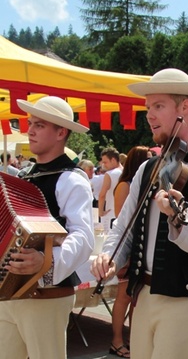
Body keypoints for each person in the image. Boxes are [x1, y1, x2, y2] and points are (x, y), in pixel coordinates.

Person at [90, 68, 188, 359]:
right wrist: (110, 256)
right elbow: (125, 227)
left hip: (187, 300)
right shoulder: (148, 167)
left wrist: (180, 217)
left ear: (184, 107)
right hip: (143, 294)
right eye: (148, 108)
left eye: (158, 106)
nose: (149, 115)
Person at [0, 96, 94, 359]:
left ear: (61, 132)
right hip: (9, 292)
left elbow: (83, 237)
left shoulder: (72, 180)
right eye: (30, 123)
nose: (30, 130)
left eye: (39, 125)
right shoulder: (22, 176)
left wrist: (45, 262)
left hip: (47, 295)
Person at [108, 145, 151, 358]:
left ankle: (134, 339)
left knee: (136, 297)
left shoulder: (140, 184)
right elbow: (121, 218)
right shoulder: (125, 185)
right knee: (124, 296)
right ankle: (116, 340)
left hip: (139, 245)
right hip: (128, 244)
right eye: (149, 158)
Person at [98, 147, 123, 232]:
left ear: (113, 160)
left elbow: (102, 195)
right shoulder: (126, 172)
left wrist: (100, 212)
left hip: (110, 213)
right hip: (124, 213)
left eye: (105, 162)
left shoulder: (109, 174)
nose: (104, 165)